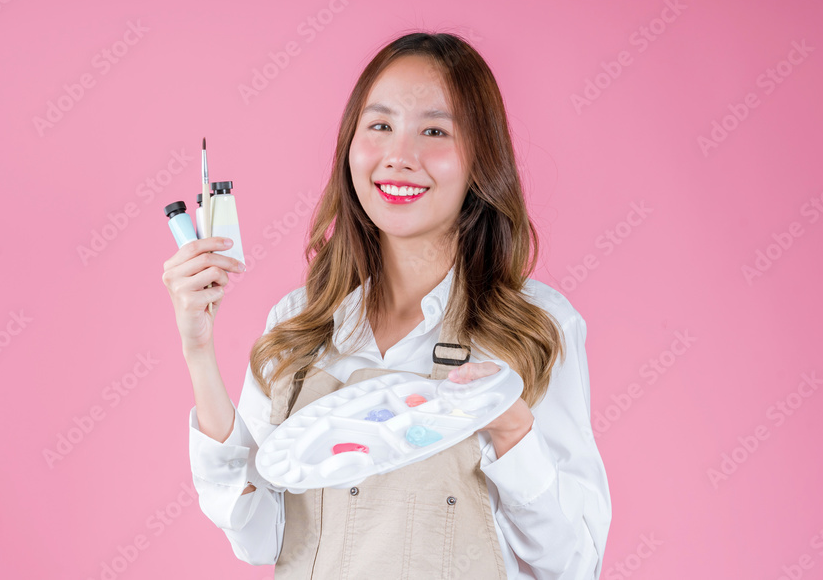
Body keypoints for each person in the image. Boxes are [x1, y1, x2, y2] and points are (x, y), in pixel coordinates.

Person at [162, 31, 612, 579]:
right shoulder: (299, 325)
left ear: (481, 158)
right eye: (380, 126)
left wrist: (512, 429)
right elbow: (259, 536)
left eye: (434, 130)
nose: (400, 156)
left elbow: (574, 565)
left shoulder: (535, 329)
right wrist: (198, 349)